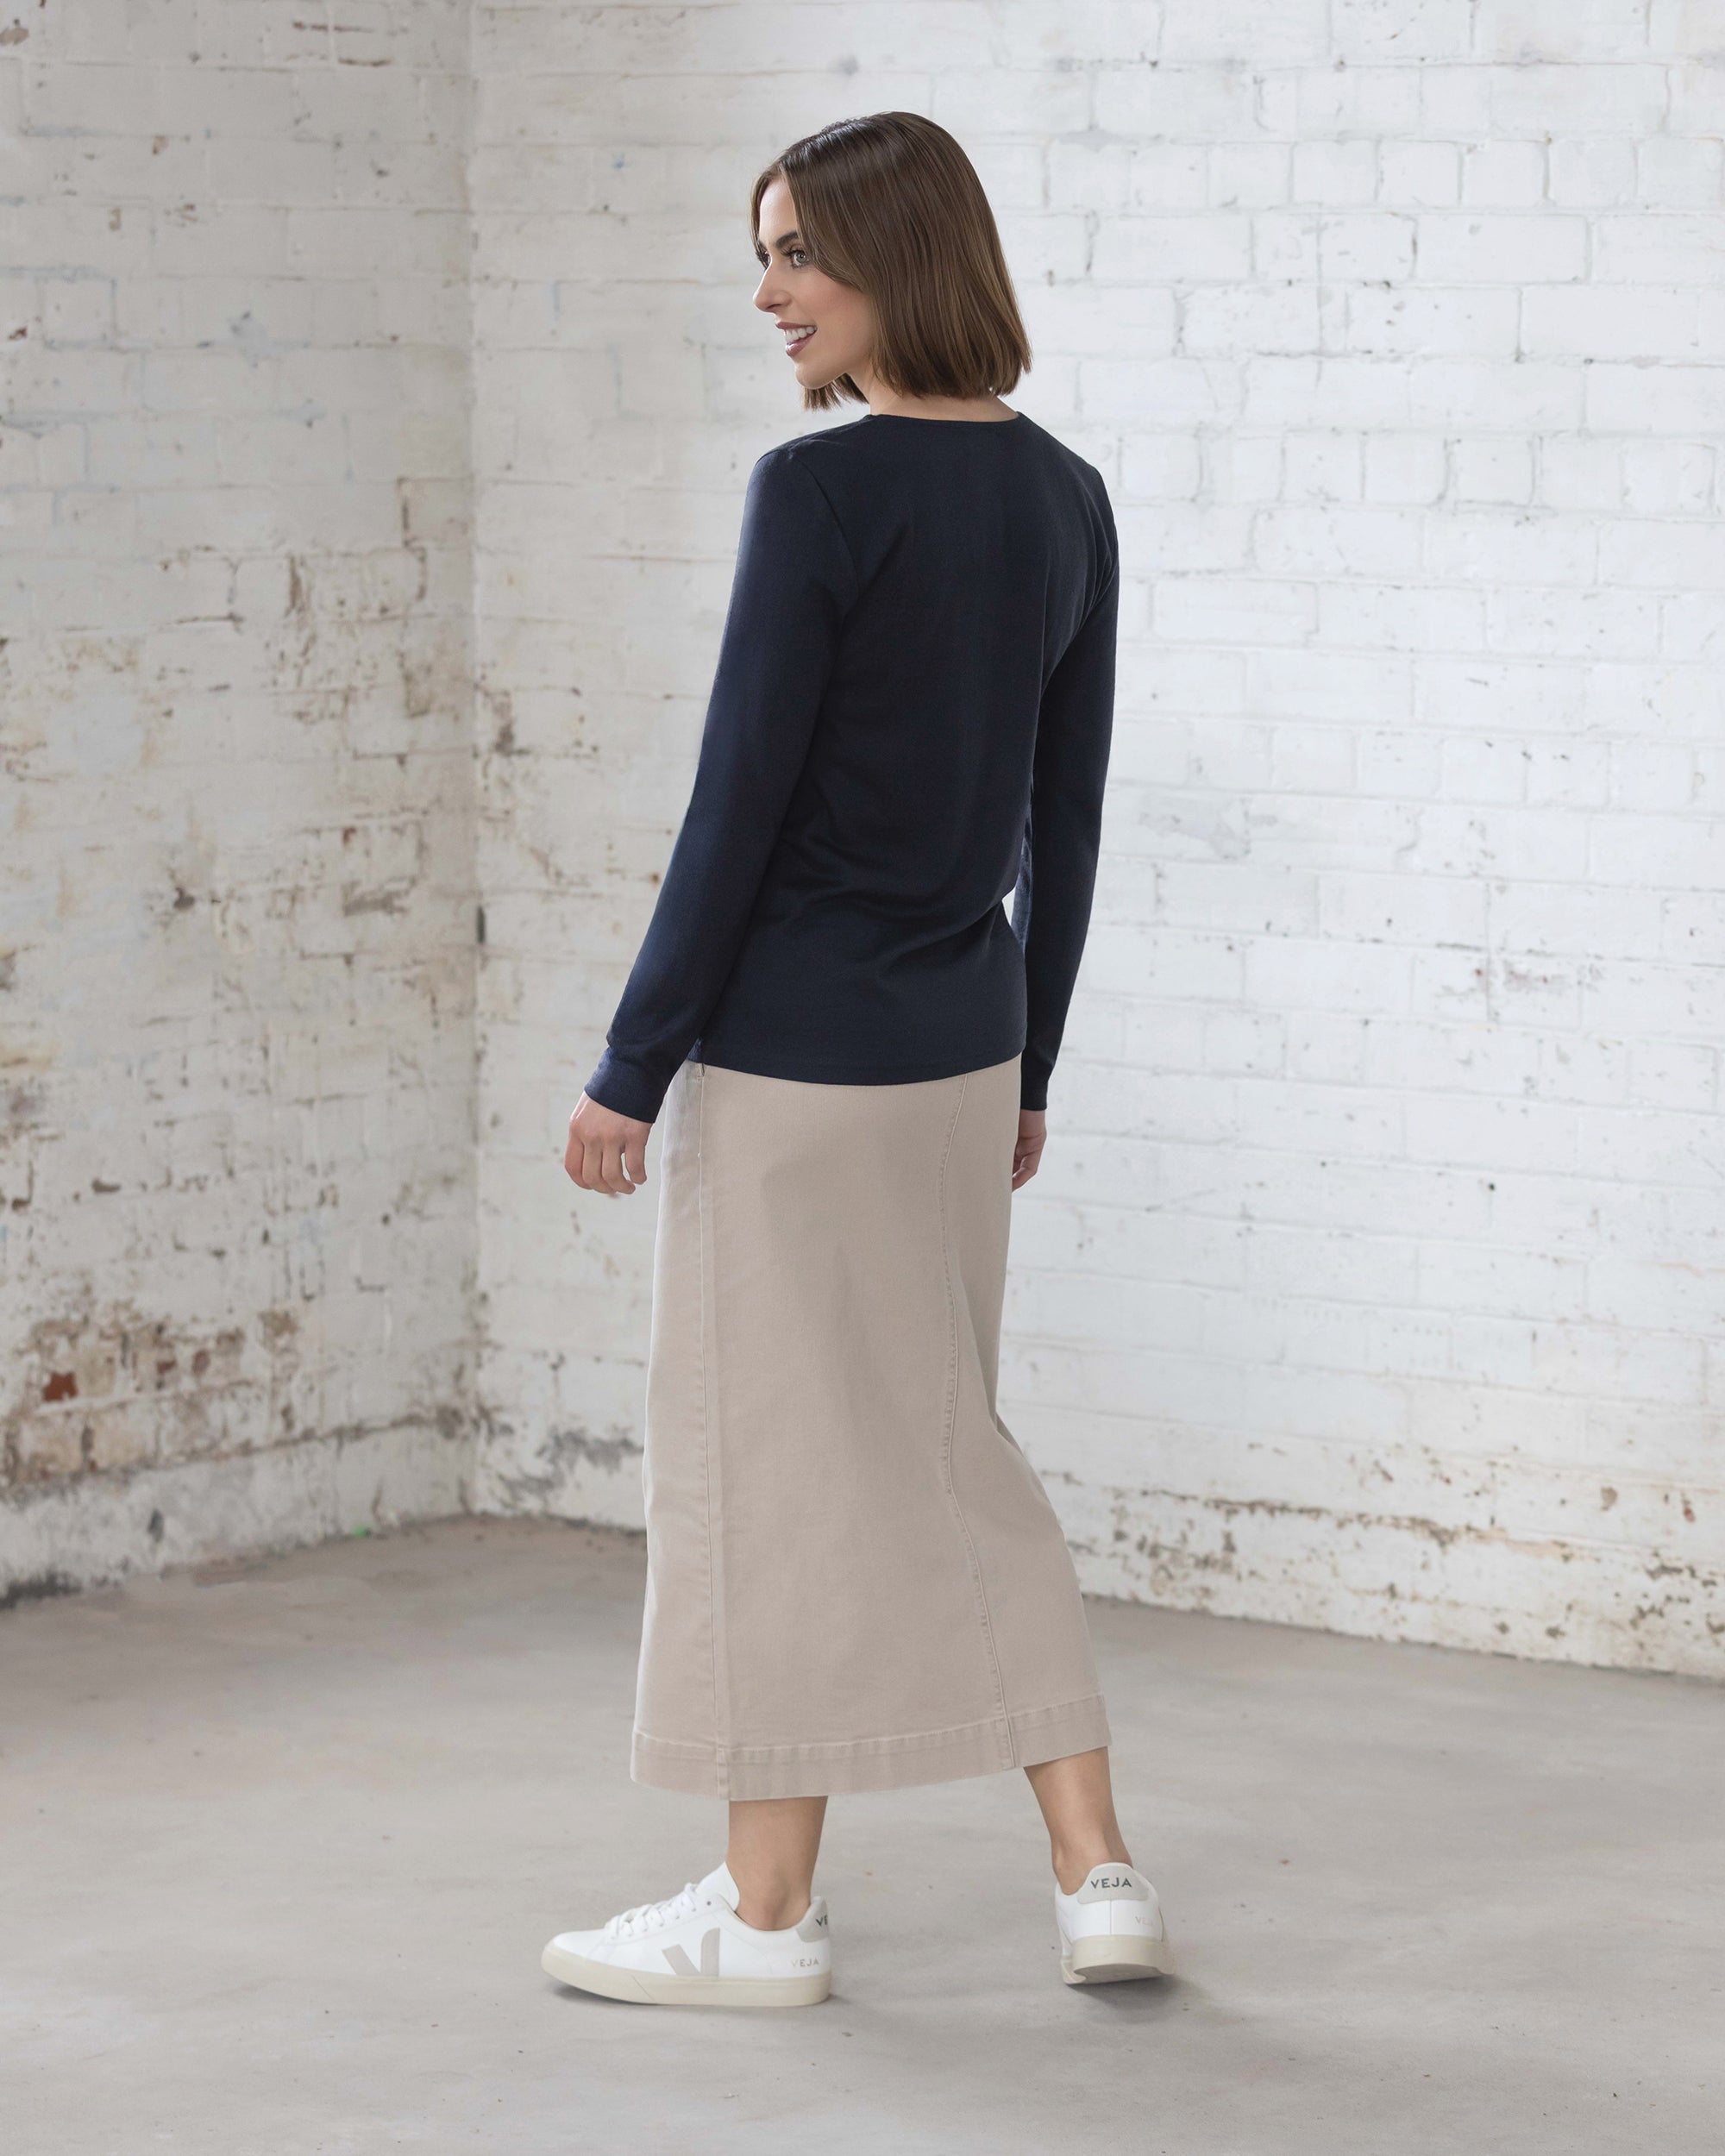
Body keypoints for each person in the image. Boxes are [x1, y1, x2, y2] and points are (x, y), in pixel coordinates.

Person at [541, 111, 1170, 2009]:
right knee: (945, 1447)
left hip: (797, 1068)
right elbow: (1067, 819)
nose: (769, 293)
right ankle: (1096, 1869)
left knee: (769, 1474)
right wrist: (1032, 1062)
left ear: (897, 255)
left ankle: (763, 1924)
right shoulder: (1066, 498)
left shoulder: (817, 495)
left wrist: (632, 1063)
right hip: (960, 1056)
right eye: (766, 253)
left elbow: (736, 806)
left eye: (798, 252)